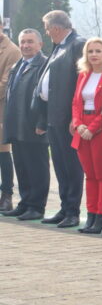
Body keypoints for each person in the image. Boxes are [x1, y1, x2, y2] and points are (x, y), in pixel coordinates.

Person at [34, 10, 86, 228]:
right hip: (54, 116)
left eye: (47, 29)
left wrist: (76, 117)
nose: (47, 33)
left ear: (56, 28)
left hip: (69, 119)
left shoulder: (77, 44)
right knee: (60, 164)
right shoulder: (59, 46)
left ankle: (73, 210)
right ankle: (64, 207)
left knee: (72, 165)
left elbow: (82, 82)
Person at [2, 29, 49, 220]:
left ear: (40, 45)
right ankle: (25, 202)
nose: (25, 46)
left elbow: (46, 97)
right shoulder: (18, 65)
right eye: (23, 42)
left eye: (30, 42)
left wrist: (42, 122)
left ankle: (36, 206)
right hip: (17, 125)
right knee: (22, 165)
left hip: (33, 126)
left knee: (36, 166)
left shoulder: (43, 65)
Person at [70, 38, 102, 234]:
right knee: (89, 175)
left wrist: (93, 128)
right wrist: (78, 124)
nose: (94, 55)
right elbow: (75, 102)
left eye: (98, 51)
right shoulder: (83, 75)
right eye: (90, 51)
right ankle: (90, 215)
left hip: (100, 130)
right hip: (82, 128)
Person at [0, 29, 21, 211]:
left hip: (1, 110)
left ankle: (7, 195)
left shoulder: (11, 50)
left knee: (3, 153)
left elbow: (5, 84)